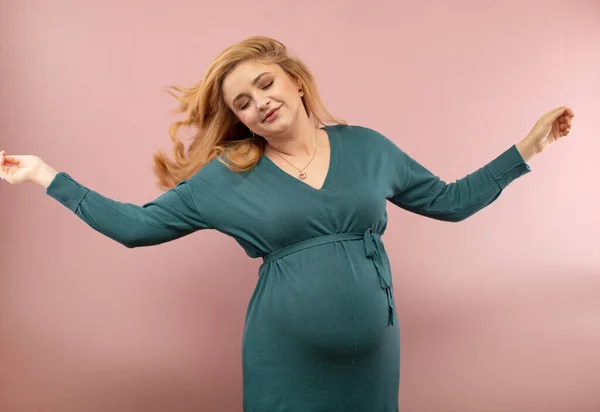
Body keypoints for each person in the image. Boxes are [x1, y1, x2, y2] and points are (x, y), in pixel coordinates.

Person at [0, 36, 574, 412]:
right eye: (243, 102)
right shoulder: (227, 177)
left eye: (266, 84)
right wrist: (46, 175)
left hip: (372, 362)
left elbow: (449, 201)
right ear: (241, 120)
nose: (260, 103)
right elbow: (136, 226)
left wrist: (527, 147)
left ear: (295, 81)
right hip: (287, 365)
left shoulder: (369, 148)